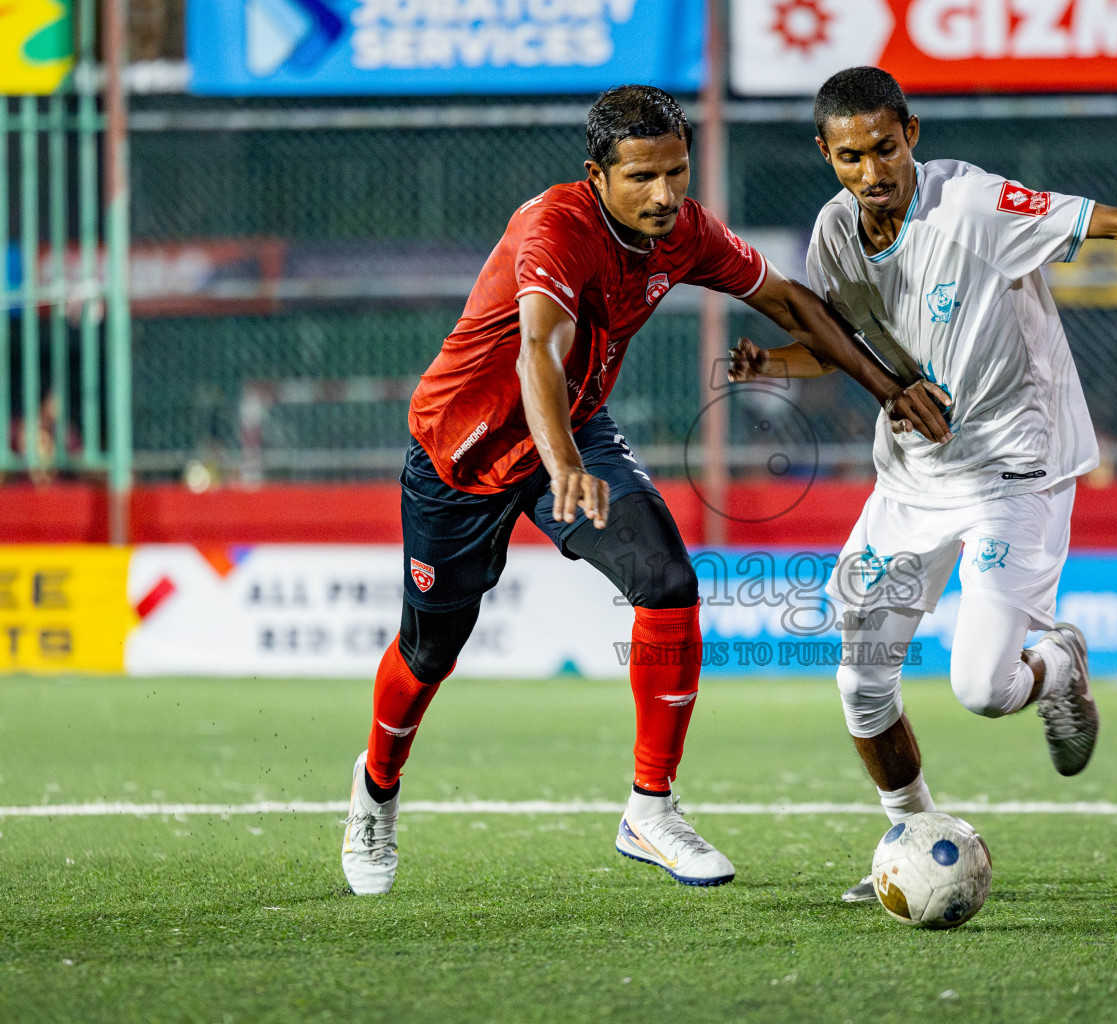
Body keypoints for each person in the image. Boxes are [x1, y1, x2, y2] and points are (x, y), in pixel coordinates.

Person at [342, 85, 952, 895]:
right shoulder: (555, 228)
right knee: (429, 653)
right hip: (466, 451)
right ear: (597, 174)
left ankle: (650, 809)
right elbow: (539, 352)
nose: (665, 194)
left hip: (578, 431)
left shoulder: (684, 230)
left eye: (676, 172)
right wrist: (559, 465)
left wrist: (884, 387)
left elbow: (788, 299)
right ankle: (376, 791)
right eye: (642, 177)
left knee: (668, 581)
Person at [729, 67, 1117, 903]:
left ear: (911, 132)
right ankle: (912, 834)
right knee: (859, 679)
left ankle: (1059, 662)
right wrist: (773, 361)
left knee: (983, 688)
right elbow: (852, 348)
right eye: (851, 157)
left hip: (1013, 469)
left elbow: (1115, 221)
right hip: (912, 478)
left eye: (885, 148)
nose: (872, 171)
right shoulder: (834, 234)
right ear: (826, 154)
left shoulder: (975, 205)